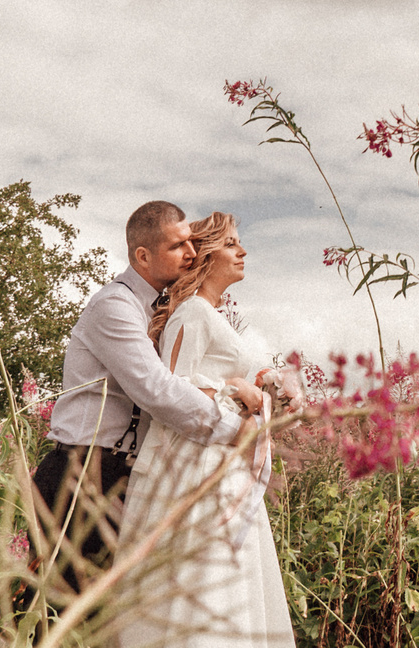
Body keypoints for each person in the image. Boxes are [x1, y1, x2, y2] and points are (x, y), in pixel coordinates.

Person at [30, 200, 264, 603]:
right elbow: (157, 390)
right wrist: (234, 430)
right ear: (142, 255)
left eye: (192, 244)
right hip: (82, 473)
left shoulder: (160, 310)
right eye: (178, 246)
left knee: (110, 617)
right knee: (62, 611)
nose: (191, 253)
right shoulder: (115, 306)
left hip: (126, 478)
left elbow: (183, 380)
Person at [115, 211, 300, 648]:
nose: (242, 251)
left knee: (232, 581)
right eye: (231, 243)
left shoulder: (209, 314)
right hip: (197, 466)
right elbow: (173, 392)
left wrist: (270, 387)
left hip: (223, 462)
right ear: (206, 255)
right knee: (207, 579)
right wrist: (233, 388)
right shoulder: (192, 314)